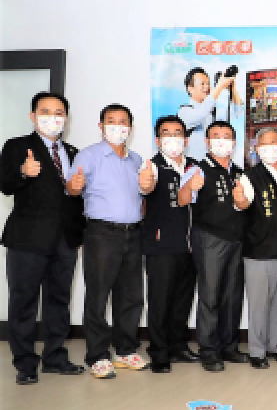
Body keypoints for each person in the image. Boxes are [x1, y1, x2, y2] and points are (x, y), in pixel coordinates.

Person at [1, 92, 86, 385]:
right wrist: (23, 172)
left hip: (64, 239)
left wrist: (77, 202)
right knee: (23, 301)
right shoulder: (17, 146)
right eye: (46, 112)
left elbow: (75, 199)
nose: (53, 118)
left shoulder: (73, 152)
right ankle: (25, 363)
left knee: (59, 300)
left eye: (59, 113)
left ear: (66, 118)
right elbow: (5, 184)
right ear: (33, 116)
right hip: (27, 239)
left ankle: (55, 357)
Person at [66, 103, 154, 379]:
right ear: (101, 126)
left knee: (131, 295)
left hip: (133, 232)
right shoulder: (89, 155)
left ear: (130, 127)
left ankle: (126, 350)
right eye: (111, 121)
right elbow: (72, 187)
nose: (117, 126)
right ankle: (97, 355)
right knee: (98, 294)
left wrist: (148, 186)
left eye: (123, 121)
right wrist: (74, 186)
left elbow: (143, 194)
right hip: (102, 233)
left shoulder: (137, 160)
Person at [178, 120, 248, 373]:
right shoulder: (197, 169)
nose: (221, 141)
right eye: (216, 136)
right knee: (210, 296)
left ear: (234, 142)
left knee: (232, 295)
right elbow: (182, 199)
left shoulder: (239, 172)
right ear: (207, 142)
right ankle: (208, 350)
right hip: (209, 238)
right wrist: (190, 186)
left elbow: (244, 205)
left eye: (226, 136)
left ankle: (229, 347)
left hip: (236, 239)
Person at [235, 127, 277, 370]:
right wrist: (239, 200)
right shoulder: (250, 177)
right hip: (259, 252)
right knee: (259, 305)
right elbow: (242, 203)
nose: (269, 148)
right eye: (263, 144)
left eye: (274, 143)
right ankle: (257, 351)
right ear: (257, 149)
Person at [142, 116, 200, 374]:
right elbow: (145, 190)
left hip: (189, 246)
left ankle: (178, 346)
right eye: (167, 133)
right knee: (160, 301)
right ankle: (159, 352)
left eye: (178, 133)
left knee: (182, 300)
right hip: (161, 244)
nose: (173, 138)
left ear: (186, 140)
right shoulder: (152, 167)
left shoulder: (194, 166)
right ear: (158, 140)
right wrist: (145, 183)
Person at [178, 67, 242, 159]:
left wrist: (232, 88)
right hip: (194, 165)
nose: (207, 87)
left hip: (213, 164)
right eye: (202, 84)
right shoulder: (184, 111)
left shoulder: (213, 112)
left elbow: (238, 111)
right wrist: (219, 87)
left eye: (208, 84)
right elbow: (201, 113)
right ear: (190, 88)